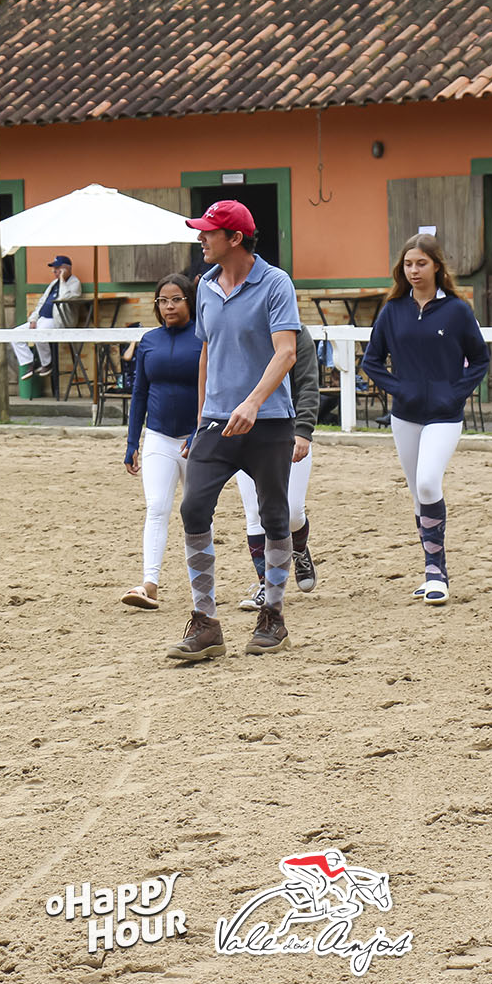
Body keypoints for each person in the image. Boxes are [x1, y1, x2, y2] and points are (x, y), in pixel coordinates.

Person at [166, 200, 300, 662]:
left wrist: (253, 402)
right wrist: (204, 416)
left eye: (208, 232)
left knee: (274, 518)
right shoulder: (203, 286)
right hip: (217, 422)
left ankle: (274, 617)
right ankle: (205, 622)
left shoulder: (276, 284)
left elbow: (286, 353)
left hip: (269, 423)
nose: (200, 238)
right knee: (192, 508)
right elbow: (207, 352)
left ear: (235, 238)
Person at [361, 234, 489, 606]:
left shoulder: (458, 310)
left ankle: (435, 572)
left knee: (429, 482)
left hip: (445, 415)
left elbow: (480, 359)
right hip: (406, 416)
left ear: (437, 266)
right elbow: (371, 361)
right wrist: (398, 389)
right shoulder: (392, 310)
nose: (414, 271)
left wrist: (455, 392)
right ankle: (435, 570)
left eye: (421, 263)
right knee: (418, 492)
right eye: (408, 264)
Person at [121, 274, 203, 611]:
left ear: (189, 301)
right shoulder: (149, 341)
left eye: (176, 300)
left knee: (196, 513)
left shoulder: (203, 337)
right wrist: (131, 441)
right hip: (157, 436)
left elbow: (212, 389)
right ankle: (149, 584)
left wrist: (201, 431)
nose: (169, 306)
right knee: (156, 508)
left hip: (196, 439)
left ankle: (202, 588)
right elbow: (139, 393)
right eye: (162, 301)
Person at [235, 323, 320, 611]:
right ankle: (265, 585)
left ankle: (299, 548)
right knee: (255, 512)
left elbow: (308, 383)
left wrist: (304, 430)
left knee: (292, 511)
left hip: (287, 429)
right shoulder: (236, 328)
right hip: (245, 431)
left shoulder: (297, 334)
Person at [12, 255, 81, 379]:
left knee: (40, 332)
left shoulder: (74, 283)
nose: (54, 272)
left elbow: (65, 297)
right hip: (42, 319)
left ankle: (47, 363)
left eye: (57, 269)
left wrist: (62, 279)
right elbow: (41, 302)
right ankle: (30, 362)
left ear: (66, 269)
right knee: (15, 334)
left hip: (58, 320)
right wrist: (33, 319)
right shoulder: (53, 283)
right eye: (54, 269)